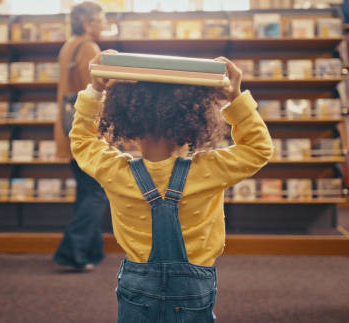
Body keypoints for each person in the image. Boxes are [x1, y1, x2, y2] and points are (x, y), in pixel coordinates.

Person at [69, 51, 273, 322]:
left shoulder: (115, 171)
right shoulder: (209, 170)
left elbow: (82, 141)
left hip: (136, 289)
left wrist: (96, 89)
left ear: (129, 127)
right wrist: (235, 96)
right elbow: (259, 149)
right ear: (193, 127)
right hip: (193, 290)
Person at [52, 1, 109, 271]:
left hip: (67, 130)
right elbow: (96, 90)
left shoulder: (68, 46)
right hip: (86, 130)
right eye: (100, 20)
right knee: (97, 193)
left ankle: (89, 253)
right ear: (88, 24)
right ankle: (72, 251)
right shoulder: (89, 48)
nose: (104, 25)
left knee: (86, 191)